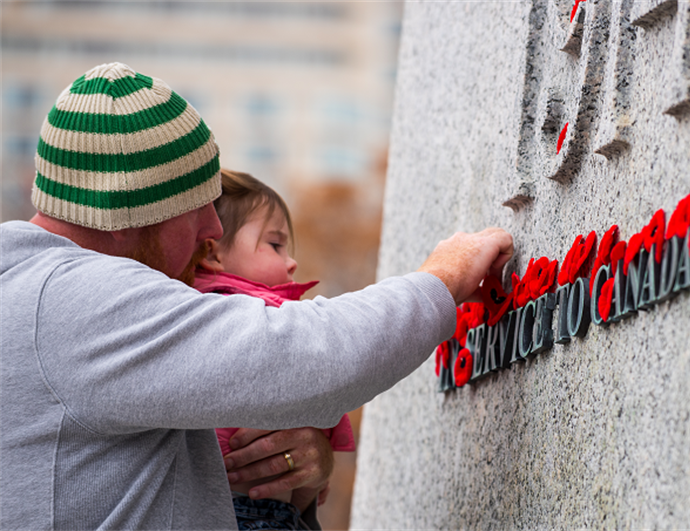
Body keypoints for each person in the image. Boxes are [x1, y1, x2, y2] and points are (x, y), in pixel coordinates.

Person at [0, 62, 512, 530]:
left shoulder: (33, 297)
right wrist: (443, 278)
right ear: (119, 212)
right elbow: (304, 356)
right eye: (194, 206)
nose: (213, 227)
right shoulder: (72, 299)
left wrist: (296, 478)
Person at [194, 168, 356, 531]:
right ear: (212, 252)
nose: (292, 261)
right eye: (275, 244)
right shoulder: (250, 317)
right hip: (250, 513)